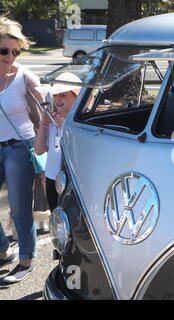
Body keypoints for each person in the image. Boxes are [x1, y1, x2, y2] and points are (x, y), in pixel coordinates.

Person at [0, 16, 44, 284]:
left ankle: (25, 260)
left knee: (19, 208)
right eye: (4, 50)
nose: (11, 56)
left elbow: (47, 109)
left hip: (20, 147)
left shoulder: (24, 76)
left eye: (16, 51)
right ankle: (3, 249)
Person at [34, 73, 81, 211]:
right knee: (56, 215)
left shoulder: (82, 121)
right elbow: (39, 150)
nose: (57, 99)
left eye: (63, 95)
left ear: (76, 96)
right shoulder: (52, 120)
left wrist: (65, 128)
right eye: (55, 95)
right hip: (52, 177)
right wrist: (43, 124)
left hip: (72, 180)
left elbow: (80, 151)